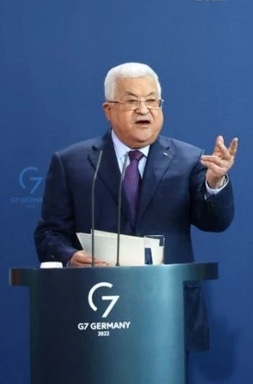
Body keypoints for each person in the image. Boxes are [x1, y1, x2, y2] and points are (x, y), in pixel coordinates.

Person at [34, 62, 239, 353]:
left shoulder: (189, 159)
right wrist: (69, 257)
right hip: (96, 310)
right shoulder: (72, 163)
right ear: (108, 109)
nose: (144, 110)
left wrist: (215, 182)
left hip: (166, 309)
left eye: (152, 100)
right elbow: (49, 234)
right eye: (131, 101)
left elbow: (214, 222)